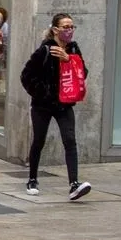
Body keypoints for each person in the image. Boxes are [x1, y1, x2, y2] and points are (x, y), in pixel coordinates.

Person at [20, 13, 92, 202]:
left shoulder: (74, 48)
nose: (69, 31)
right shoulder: (45, 50)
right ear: (55, 30)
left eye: (72, 27)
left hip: (64, 103)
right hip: (42, 105)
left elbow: (83, 72)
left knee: (70, 140)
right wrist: (42, 93)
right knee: (39, 141)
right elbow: (26, 75)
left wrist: (69, 59)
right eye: (65, 27)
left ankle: (74, 184)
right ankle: (32, 179)